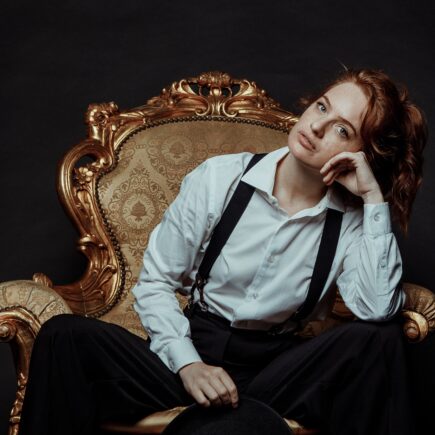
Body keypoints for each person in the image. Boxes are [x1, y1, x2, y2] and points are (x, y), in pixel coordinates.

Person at [18, 68, 427, 435]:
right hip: (193, 349)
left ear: (360, 155)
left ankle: (238, 418)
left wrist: (373, 201)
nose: (317, 127)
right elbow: (156, 282)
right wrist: (189, 364)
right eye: (322, 106)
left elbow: (377, 309)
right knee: (64, 336)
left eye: (342, 130)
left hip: (276, 372)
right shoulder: (221, 179)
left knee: (381, 340)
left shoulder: (353, 221)